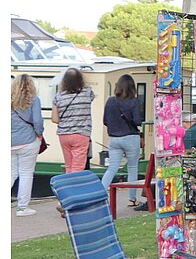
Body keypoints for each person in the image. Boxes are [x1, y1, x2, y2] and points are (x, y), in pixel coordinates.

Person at [101, 74, 144, 206]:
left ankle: (100, 195)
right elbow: (137, 121)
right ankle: (132, 199)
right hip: (130, 137)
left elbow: (105, 121)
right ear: (132, 87)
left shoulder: (110, 101)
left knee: (112, 168)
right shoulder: (134, 101)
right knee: (132, 168)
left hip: (114, 139)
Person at [10, 75, 43, 217]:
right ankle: (22, 207)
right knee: (26, 174)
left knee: (10, 173)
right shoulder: (34, 100)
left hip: (9, 142)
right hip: (28, 141)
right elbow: (37, 121)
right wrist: (39, 134)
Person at [51, 68, 95, 173]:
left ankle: (68, 187)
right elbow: (91, 98)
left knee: (69, 166)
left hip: (64, 135)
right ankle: (75, 188)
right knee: (78, 167)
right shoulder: (87, 92)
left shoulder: (58, 96)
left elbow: (55, 119)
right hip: (81, 134)